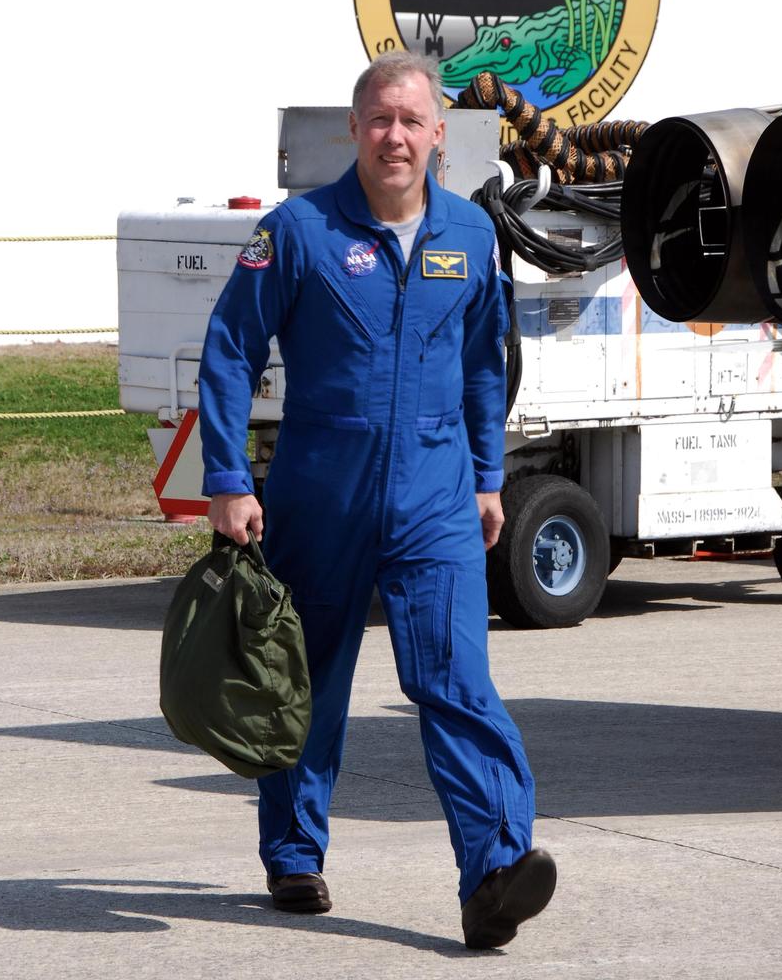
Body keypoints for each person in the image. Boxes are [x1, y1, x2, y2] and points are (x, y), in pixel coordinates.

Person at [197, 50, 556, 949]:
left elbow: (484, 365)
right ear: (354, 131)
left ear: (440, 133)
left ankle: (496, 873)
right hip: (322, 491)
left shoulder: (472, 237)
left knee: (455, 680)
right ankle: (293, 852)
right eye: (379, 120)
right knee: (305, 682)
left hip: (435, 494)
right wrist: (229, 479)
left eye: (411, 120)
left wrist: (485, 475)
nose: (395, 136)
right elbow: (231, 349)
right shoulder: (298, 233)